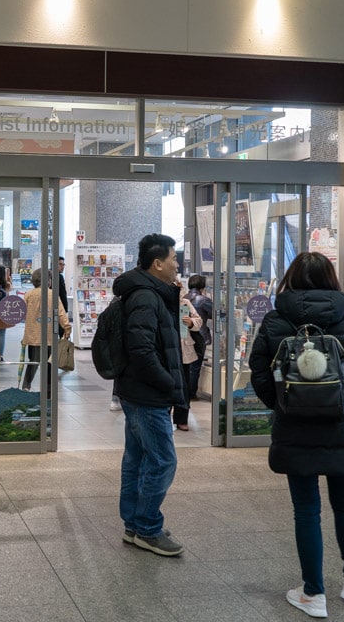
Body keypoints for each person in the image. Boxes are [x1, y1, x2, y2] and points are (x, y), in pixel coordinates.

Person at [248, 251, 344, 619]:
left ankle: (313, 593)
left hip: (296, 428)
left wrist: (283, 405)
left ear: (291, 279)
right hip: (343, 427)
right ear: (330, 280)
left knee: (306, 510)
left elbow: (258, 372)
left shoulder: (276, 320)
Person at [112, 233, 187, 557]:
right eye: (173, 259)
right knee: (162, 460)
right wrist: (166, 383)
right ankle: (147, 528)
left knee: (138, 458)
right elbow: (141, 349)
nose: (177, 265)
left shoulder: (148, 292)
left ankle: (134, 525)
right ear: (157, 263)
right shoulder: (145, 296)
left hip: (137, 391)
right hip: (146, 395)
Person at [20, 268, 71, 391]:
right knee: (49, 363)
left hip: (32, 335)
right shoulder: (53, 294)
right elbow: (61, 313)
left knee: (33, 361)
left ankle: (26, 385)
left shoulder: (28, 294)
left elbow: (21, 312)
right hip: (49, 335)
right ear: (48, 280)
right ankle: (48, 389)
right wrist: (67, 327)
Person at [172, 283, 202, 431]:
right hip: (166, 350)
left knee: (184, 387)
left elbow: (198, 321)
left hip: (184, 349)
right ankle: (164, 415)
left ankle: (181, 419)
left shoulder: (185, 303)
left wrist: (191, 323)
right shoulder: (158, 300)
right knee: (165, 384)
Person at [184, 274, 213, 400]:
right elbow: (215, 314)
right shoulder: (204, 300)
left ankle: (186, 392)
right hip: (199, 335)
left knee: (187, 365)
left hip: (185, 335)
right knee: (195, 367)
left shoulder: (184, 298)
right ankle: (191, 394)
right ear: (202, 286)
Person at [57, 256, 69, 338]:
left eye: (63, 264)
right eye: (60, 264)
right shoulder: (59, 277)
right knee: (62, 332)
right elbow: (62, 294)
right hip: (59, 309)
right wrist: (65, 309)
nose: (62, 266)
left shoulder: (47, 275)